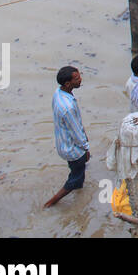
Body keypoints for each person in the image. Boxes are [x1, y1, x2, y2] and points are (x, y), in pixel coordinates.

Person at [44, 66, 90, 207]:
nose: (80, 79)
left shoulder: (58, 93)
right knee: (75, 178)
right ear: (68, 84)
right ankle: (51, 203)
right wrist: (86, 149)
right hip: (73, 149)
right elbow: (76, 133)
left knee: (77, 172)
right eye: (76, 78)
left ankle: (79, 189)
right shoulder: (68, 107)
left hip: (63, 143)